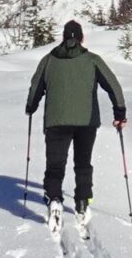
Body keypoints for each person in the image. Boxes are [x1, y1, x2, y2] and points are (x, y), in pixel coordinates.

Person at [25, 19, 126, 220]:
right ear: (81, 38)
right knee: (83, 163)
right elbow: (113, 85)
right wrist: (120, 113)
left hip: (56, 121)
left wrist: (31, 107)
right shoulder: (92, 60)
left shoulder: (48, 60)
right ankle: (82, 202)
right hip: (86, 122)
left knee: (55, 164)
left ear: (63, 37)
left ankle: (54, 199)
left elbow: (36, 87)